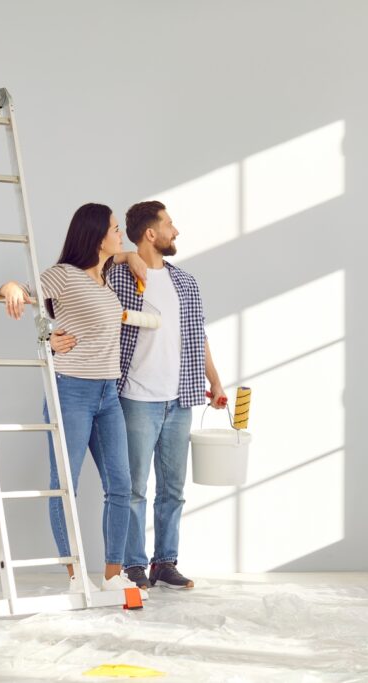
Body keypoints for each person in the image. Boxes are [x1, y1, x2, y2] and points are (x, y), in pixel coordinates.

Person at [52, 200, 225, 590]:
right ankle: (132, 565)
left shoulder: (186, 282)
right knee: (131, 488)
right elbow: (77, 295)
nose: (175, 231)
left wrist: (215, 382)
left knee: (173, 490)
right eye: (169, 224)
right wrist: (50, 338)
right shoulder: (114, 275)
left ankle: (165, 562)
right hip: (132, 396)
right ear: (151, 233)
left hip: (179, 398)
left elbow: (198, 338)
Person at [0, 202, 139, 595]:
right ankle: (75, 576)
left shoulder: (105, 279)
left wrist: (127, 255)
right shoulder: (64, 275)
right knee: (65, 485)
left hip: (108, 393)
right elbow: (24, 292)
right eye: (114, 228)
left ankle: (113, 575)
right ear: (95, 235)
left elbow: (127, 255)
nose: (120, 234)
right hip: (72, 389)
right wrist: (10, 289)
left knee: (121, 485)